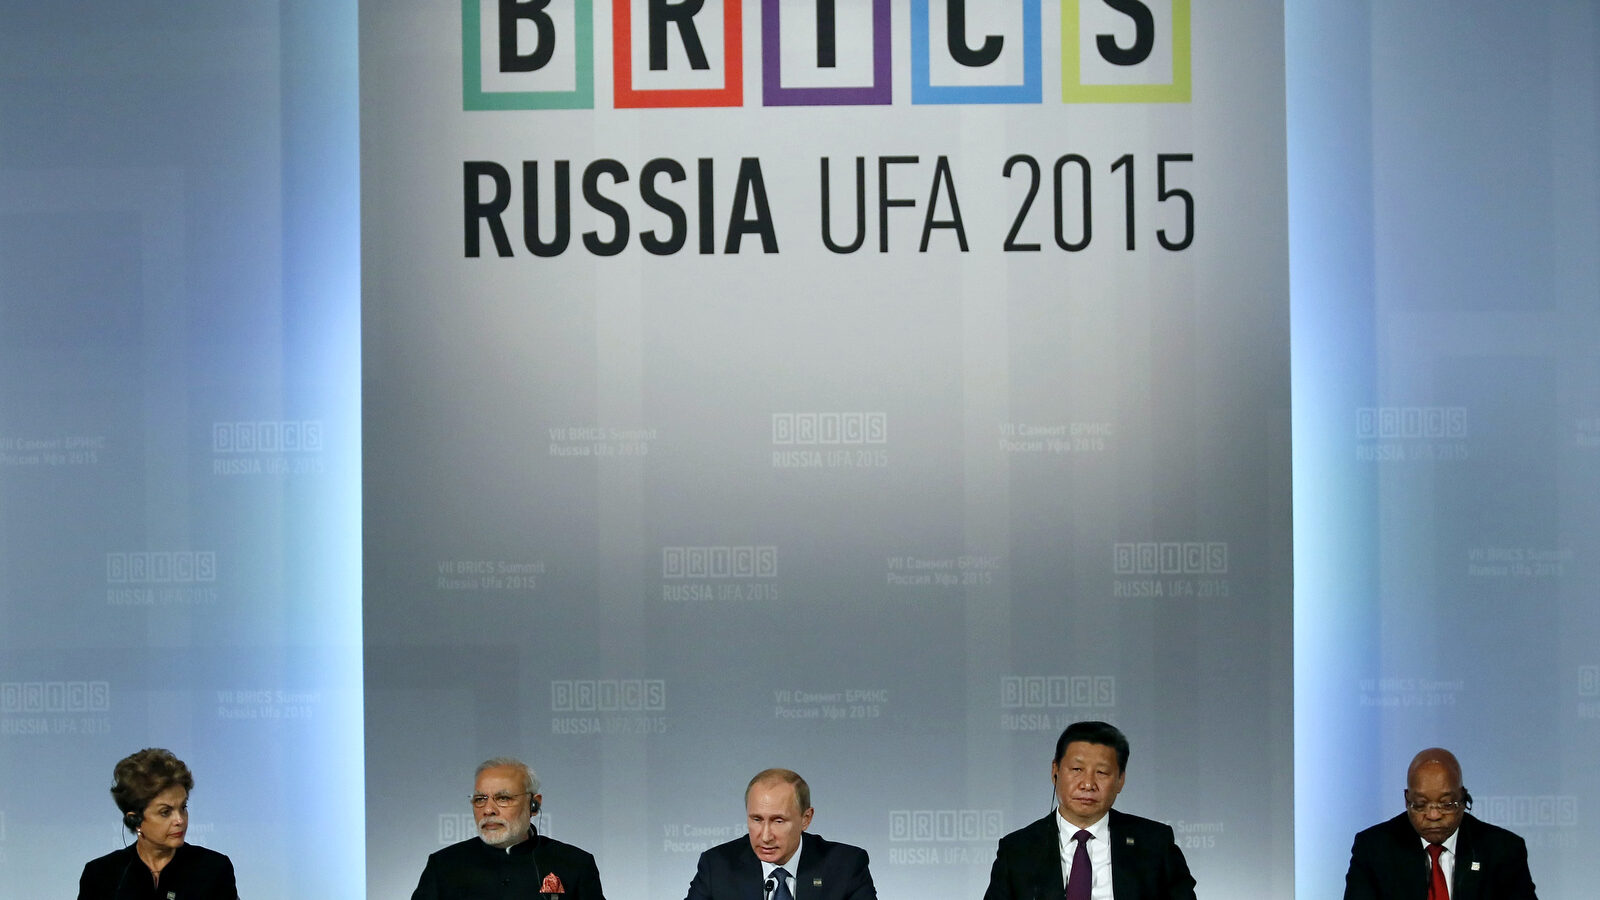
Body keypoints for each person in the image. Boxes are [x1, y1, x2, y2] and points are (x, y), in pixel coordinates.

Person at [983, 721, 1196, 900]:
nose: (1088, 784)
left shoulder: (1155, 844)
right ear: (1055, 771)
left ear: (1120, 780)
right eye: (1077, 770)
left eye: (1102, 772)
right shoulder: (1017, 851)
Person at [1342, 746, 1538, 900]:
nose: (1434, 815)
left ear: (1463, 798)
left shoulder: (1502, 850)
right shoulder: (1373, 848)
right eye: (1420, 804)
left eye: (1446, 804)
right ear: (1406, 799)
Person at [411, 756, 607, 899]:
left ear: (534, 805)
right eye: (480, 799)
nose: (488, 809)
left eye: (503, 798)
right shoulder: (444, 866)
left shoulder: (575, 864)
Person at [684, 768, 876, 900]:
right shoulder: (717, 866)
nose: (766, 836)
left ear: (806, 819)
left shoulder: (846, 866)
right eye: (757, 819)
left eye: (778, 821)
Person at [77, 747, 239, 900]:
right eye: (165, 812)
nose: (180, 820)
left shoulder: (214, 869)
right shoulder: (100, 875)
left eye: (183, 807)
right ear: (135, 819)